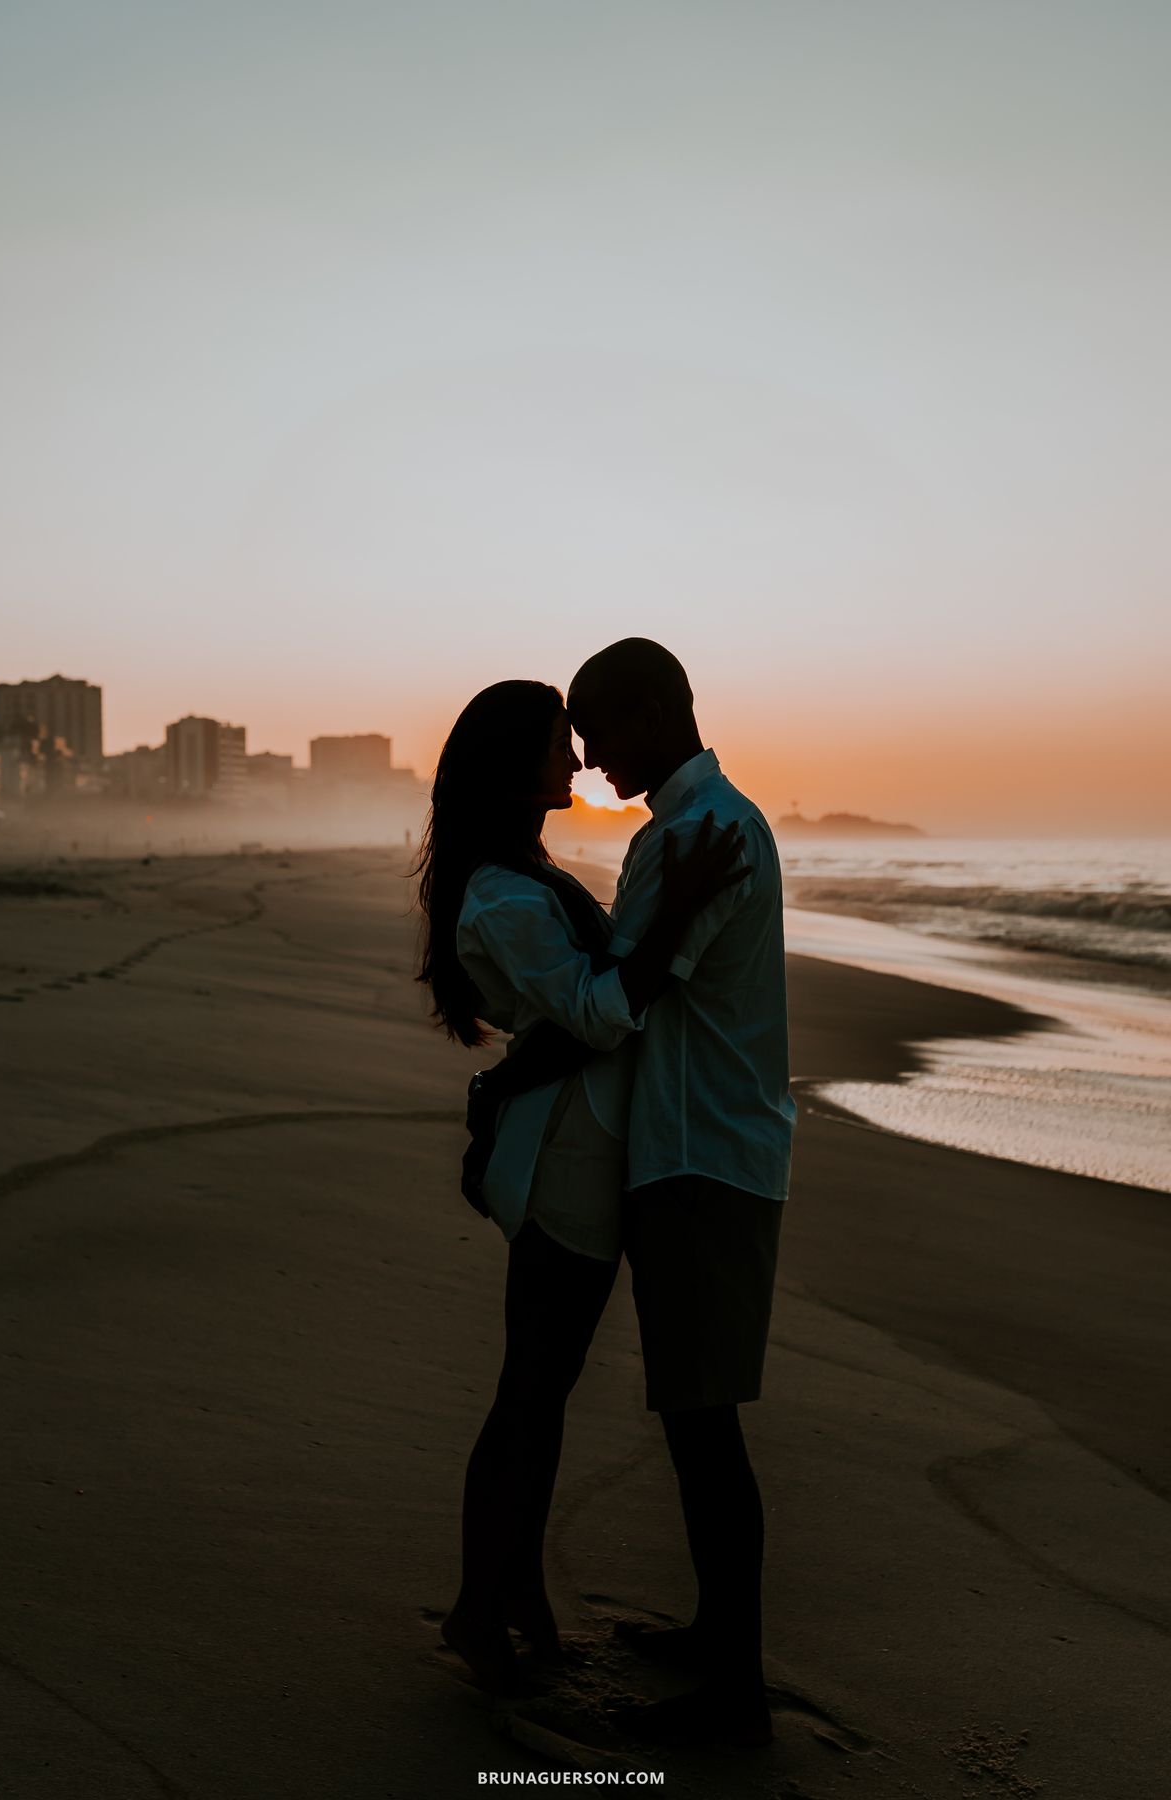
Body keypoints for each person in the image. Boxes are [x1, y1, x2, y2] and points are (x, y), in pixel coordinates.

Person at [414, 678, 746, 1698]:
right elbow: (599, 1015)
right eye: (560, 745)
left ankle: (515, 1592)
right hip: (565, 1156)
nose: (576, 763)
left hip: (580, 1147)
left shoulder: (521, 872)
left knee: (542, 1394)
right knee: (528, 1393)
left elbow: (584, 1010)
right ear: (515, 767)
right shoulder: (501, 893)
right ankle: (478, 1608)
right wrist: (678, 915)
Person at [566, 638, 796, 1750]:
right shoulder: (696, 826)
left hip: (704, 1154)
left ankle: (736, 1695)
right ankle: (717, 1641)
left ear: (658, 712)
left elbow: (624, 992)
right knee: (695, 1417)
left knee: (706, 1426)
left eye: (600, 729)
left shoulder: (699, 834)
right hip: (702, 1148)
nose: (589, 756)